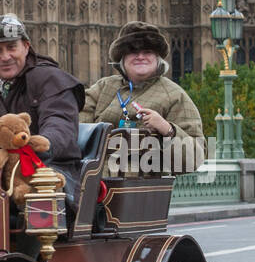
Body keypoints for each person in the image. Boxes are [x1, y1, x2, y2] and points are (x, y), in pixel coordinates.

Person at [0, 14, 85, 192]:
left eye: (11, 47)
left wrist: (35, 146)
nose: (5, 56)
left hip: (48, 167)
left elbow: (60, 124)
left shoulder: (51, 79)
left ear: (26, 46)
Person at [81, 22, 205, 171]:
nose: (140, 56)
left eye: (147, 52)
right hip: (93, 179)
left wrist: (168, 129)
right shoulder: (104, 87)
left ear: (157, 58)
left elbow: (196, 159)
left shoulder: (174, 95)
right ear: (122, 58)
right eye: (133, 52)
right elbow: (77, 127)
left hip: (141, 185)